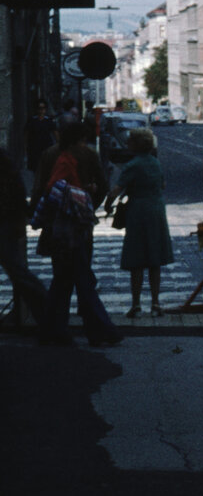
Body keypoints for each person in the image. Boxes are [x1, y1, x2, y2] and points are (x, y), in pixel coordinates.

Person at [31, 121, 121, 347]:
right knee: (81, 277)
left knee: (62, 279)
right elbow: (100, 185)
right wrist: (86, 203)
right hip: (74, 227)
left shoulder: (50, 154)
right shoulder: (85, 155)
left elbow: (40, 187)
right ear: (78, 139)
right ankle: (99, 330)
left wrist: (37, 216)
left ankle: (52, 330)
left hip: (57, 227)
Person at [103, 129, 173, 317]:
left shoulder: (132, 165)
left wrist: (107, 206)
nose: (127, 144)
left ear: (136, 144)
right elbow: (162, 185)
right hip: (157, 210)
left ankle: (136, 304)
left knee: (137, 259)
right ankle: (156, 303)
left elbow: (117, 189)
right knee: (154, 259)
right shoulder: (155, 163)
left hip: (138, 212)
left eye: (130, 141)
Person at [0, 147, 47, 329]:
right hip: (8, 221)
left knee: (19, 273)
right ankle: (47, 317)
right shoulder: (7, 164)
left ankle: (47, 316)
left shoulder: (5, 167)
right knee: (19, 272)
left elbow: (15, 195)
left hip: (5, 222)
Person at [23, 99, 57, 172]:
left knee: (47, 168)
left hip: (46, 147)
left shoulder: (48, 120)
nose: (41, 110)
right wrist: (25, 148)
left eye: (43, 108)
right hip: (34, 148)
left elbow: (55, 134)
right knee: (35, 168)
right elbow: (26, 134)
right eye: (39, 108)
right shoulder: (32, 120)